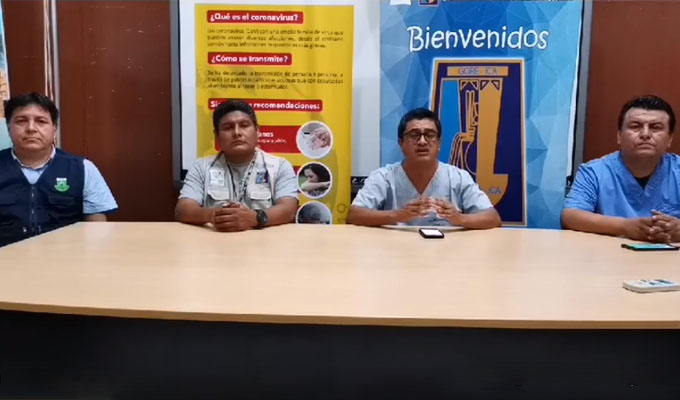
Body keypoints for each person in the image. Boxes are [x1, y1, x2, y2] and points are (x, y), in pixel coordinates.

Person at [347, 107, 501, 228]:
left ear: (439, 143)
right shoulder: (384, 177)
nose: (422, 141)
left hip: (447, 252)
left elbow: (493, 218)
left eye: (430, 135)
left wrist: (460, 218)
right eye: (414, 135)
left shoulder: (458, 177)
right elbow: (354, 215)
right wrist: (398, 215)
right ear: (401, 143)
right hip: (395, 252)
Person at [0, 92, 118, 247]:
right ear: (8, 128)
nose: (31, 128)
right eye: (21, 121)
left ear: (54, 129)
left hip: (66, 257)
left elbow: (97, 229)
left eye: (41, 121)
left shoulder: (82, 168)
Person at [562, 95, 680, 243]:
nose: (645, 134)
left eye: (655, 128)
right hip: (609, 255)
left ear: (670, 138)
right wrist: (625, 227)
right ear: (619, 136)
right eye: (635, 126)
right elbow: (571, 216)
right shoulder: (594, 171)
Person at [176, 100, 298, 231]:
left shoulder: (279, 166)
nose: (237, 133)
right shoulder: (202, 167)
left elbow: (289, 209)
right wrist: (218, 216)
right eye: (228, 127)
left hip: (264, 241)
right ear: (217, 136)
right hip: (215, 240)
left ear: (257, 131)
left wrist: (254, 218)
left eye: (244, 125)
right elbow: (183, 209)